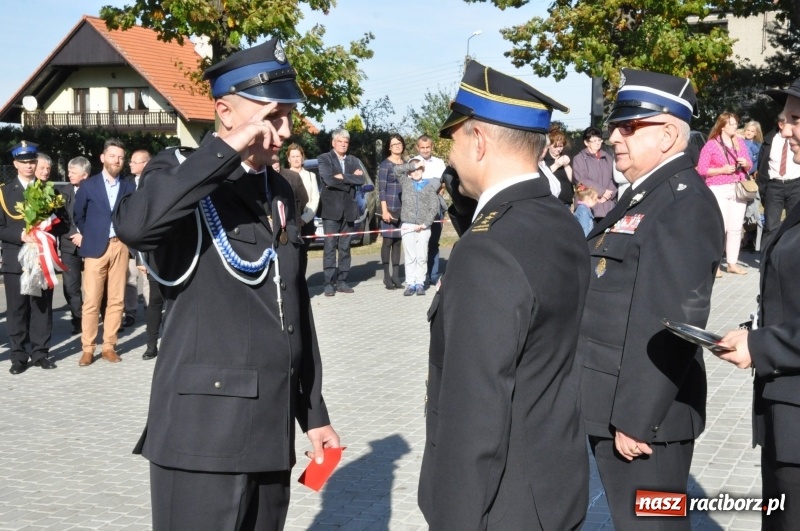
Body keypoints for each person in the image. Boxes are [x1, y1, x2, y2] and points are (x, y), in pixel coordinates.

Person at [113, 38, 339, 530]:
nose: (284, 132)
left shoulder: (278, 191)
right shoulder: (179, 172)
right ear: (226, 112)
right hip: (203, 437)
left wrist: (313, 411)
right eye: (272, 117)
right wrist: (226, 150)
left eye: (288, 117)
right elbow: (136, 227)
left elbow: (293, 305)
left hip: (270, 431)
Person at [418, 60, 589, 530]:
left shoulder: (486, 250)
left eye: (453, 141)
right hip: (553, 487)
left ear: (478, 141)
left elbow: (475, 414)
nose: (450, 156)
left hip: (503, 506)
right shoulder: (559, 220)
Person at [578, 68, 724, 531]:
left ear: (667, 135)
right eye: (615, 126)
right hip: (616, 405)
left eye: (629, 127)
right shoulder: (647, 194)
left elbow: (673, 317)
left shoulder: (683, 202)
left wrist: (636, 419)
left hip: (644, 423)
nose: (614, 137)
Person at [714, 78, 800, 530]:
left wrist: (761, 346)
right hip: (785, 418)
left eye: (795, 119)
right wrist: (754, 334)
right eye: (784, 120)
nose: (784, 129)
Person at [0, 141, 67, 374]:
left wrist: (46, 231)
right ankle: (18, 355)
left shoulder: (49, 191)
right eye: (24, 162)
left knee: (41, 306)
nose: (29, 166)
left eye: (32, 162)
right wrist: (21, 235)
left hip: (42, 257)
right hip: (15, 258)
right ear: (15, 164)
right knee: (17, 308)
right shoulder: (4, 192)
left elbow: (62, 222)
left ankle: (40, 353)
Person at [73, 138, 136, 366]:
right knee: (91, 300)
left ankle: (109, 346)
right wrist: (90, 235)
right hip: (95, 248)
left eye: (120, 157)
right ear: (102, 158)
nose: (117, 160)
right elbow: (78, 215)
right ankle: (88, 348)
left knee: (117, 300)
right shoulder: (88, 186)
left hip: (120, 246)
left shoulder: (129, 186)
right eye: (112, 156)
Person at [696, 112, 753, 275]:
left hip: (738, 187)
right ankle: (715, 264)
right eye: (732, 124)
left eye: (736, 124)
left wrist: (746, 163)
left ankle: (732, 263)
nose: (735, 127)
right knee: (721, 226)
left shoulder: (739, 143)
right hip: (718, 187)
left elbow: (749, 165)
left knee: (736, 228)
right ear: (722, 126)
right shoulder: (711, 145)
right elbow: (701, 169)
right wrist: (722, 170)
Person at [318, 128, 365, 296]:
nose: (343, 144)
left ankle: (342, 281)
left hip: (349, 210)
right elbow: (329, 181)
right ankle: (328, 283)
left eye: (346, 142)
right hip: (331, 210)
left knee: (345, 248)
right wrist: (351, 178)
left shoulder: (353, 160)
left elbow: (361, 179)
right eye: (340, 141)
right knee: (330, 247)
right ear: (333, 142)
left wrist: (342, 177)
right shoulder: (324, 158)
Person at [756, 114, 800, 251]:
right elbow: (761, 165)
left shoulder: (797, 139)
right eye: (790, 123)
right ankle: (766, 258)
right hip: (774, 186)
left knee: (794, 226)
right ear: (781, 125)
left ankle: (791, 257)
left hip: (796, 185)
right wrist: (762, 187)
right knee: (771, 226)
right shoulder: (769, 141)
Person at [398, 157, 439, 296]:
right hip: (408, 225)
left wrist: (425, 223)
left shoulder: (429, 186)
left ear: (423, 170)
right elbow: (396, 170)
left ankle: (420, 283)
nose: (416, 172)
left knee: (421, 256)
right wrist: (414, 165)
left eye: (419, 169)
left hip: (423, 226)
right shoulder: (406, 183)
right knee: (410, 256)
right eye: (413, 169)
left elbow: (434, 207)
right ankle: (411, 283)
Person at [60, 156, 91, 335]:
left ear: (85, 175)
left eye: (73, 172)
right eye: (69, 171)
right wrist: (74, 234)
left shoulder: (95, 190)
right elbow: (60, 218)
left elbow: (99, 216)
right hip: (69, 243)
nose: (69, 175)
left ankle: (102, 317)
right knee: (70, 286)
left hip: (91, 243)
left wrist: (84, 236)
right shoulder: (62, 192)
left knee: (96, 284)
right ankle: (78, 319)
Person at [123, 149, 152, 328]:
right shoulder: (126, 183)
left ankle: (151, 311)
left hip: (148, 238)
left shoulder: (154, 181)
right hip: (129, 239)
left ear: (146, 164)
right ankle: (130, 312)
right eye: (131, 161)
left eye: (135, 162)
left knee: (148, 277)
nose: (130, 164)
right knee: (130, 277)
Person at [415, 135, 446, 288]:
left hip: (436, 207)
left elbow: (443, 182)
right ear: (417, 148)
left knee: (433, 242)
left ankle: (433, 275)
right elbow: (412, 184)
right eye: (422, 147)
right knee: (420, 243)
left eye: (428, 147)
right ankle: (420, 277)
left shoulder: (439, 163)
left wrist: (436, 185)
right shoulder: (413, 162)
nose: (425, 150)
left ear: (432, 147)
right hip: (419, 208)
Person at [377, 134, 405, 290]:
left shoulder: (406, 164)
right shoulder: (385, 165)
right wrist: (384, 210)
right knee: (387, 241)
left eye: (399, 143)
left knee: (398, 242)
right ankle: (386, 276)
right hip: (389, 207)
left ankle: (396, 275)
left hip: (402, 208)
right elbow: (381, 189)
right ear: (389, 147)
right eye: (394, 144)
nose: (397, 146)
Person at [286, 143, 319, 276]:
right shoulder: (283, 175)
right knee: (291, 255)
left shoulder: (311, 176)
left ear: (302, 157)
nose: (296, 159)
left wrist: (304, 219)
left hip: (306, 222)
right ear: (288, 159)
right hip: (289, 222)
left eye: (298, 156)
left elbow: (315, 199)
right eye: (293, 156)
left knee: (302, 253)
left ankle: (302, 282)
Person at [543, 127, 574, 206]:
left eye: (561, 146)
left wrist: (566, 166)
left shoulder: (565, 157)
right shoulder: (544, 159)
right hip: (550, 201)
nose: (559, 149)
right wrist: (556, 165)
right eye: (555, 146)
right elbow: (543, 176)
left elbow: (573, 180)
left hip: (566, 201)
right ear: (549, 145)